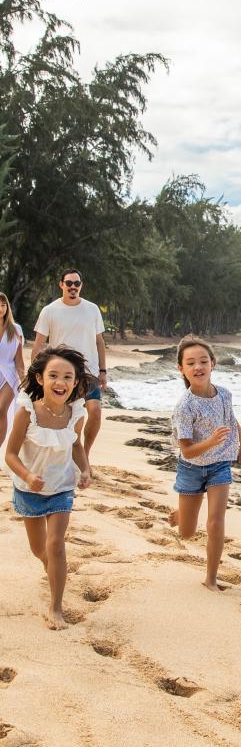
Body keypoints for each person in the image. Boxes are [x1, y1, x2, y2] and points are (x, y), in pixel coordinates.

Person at [5, 346, 93, 630]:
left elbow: (76, 444)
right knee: (39, 550)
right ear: (40, 379)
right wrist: (28, 476)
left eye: (68, 377)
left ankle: (56, 608)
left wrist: (86, 469)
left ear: (75, 383)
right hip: (28, 490)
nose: (61, 382)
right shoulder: (27, 412)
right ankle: (53, 569)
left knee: (56, 545)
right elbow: (10, 454)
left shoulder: (75, 413)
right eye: (53, 375)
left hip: (61, 488)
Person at [169, 335, 241, 591]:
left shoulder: (224, 394)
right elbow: (188, 451)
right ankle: (181, 515)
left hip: (220, 465)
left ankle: (211, 578)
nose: (198, 367)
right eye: (191, 362)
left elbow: (231, 419)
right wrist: (212, 440)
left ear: (213, 364)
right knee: (186, 532)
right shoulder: (185, 406)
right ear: (181, 368)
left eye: (203, 361)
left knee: (215, 521)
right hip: (192, 468)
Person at [31, 269, 107, 460]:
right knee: (70, 418)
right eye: (69, 283)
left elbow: (99, 341)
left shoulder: (92, 309)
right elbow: (39, 343)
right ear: (61, 285)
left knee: (95, 412)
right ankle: (68, 453)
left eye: (77, 283)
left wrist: (103, 370)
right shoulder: (49, 310)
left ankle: (85, 456)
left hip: (89, 372)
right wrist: (35, 372)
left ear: (81, 285)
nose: (73, 287)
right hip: (62, 375)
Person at [0, 293, 25, 447]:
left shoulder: (15, 329)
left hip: (9, 375)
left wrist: (26, 383)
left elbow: (19, 362)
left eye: (3, 305)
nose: (0, 308)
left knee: (1, 410)